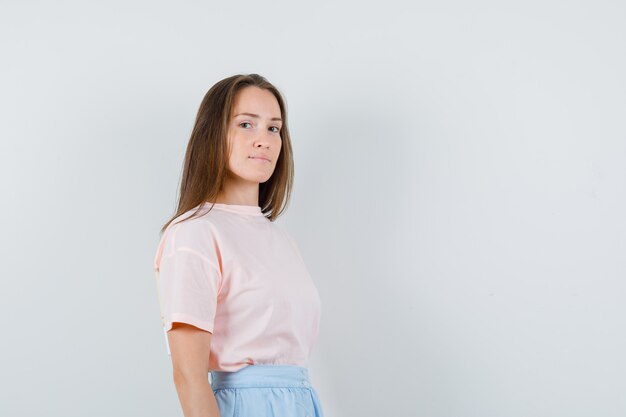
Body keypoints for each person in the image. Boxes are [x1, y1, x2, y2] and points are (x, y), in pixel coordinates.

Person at [153, 73, 325, 417]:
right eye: (246, 124)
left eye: (274, 128)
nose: (263, 139)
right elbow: (188, 376)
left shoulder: (281, 239)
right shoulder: (195, 233)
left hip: (301, 403)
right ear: (213, 135)